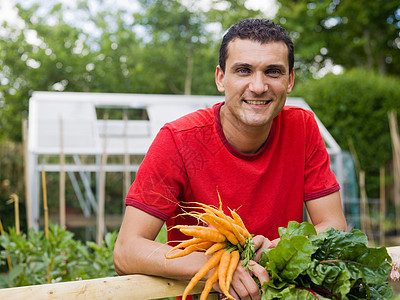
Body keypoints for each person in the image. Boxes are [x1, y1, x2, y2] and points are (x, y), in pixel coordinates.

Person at [113, 18, 347, 300]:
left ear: (290, 80)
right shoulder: (178, 139)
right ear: (221, 78)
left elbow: (334, 226)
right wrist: (219, 265)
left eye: (273, 72)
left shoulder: (303, 127)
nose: (258, 86)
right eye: (243, 70)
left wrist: (277, 248)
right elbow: (127, 250)